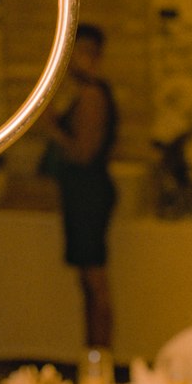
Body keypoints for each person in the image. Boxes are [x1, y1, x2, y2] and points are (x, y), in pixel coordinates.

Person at [38, 22, 118, 349]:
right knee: (88, 281)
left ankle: (99, 356)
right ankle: (94, 355)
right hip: (82, 193)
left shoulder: (91, 95)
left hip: (88, 194)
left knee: (94, 281)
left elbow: (83, 153)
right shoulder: (86, 93)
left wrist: (52, 129)